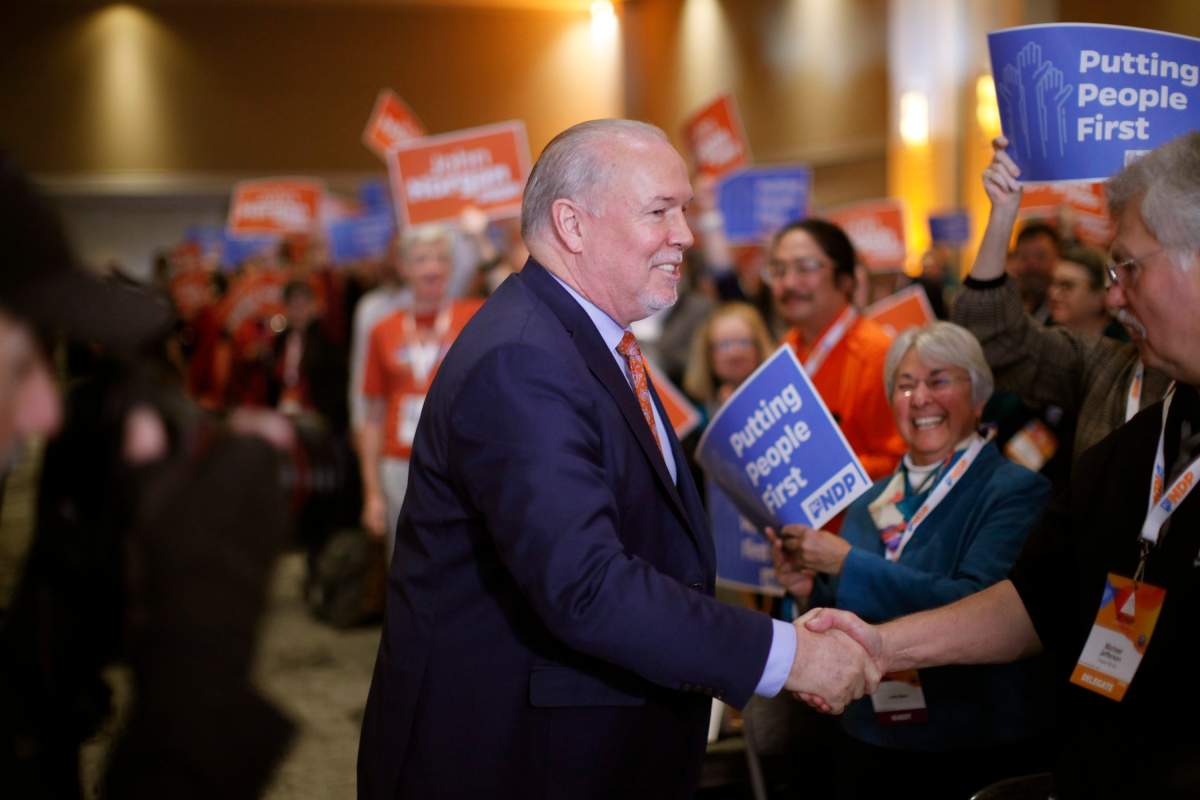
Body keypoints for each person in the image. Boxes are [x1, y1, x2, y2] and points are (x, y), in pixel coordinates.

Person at [356, 119, 878, 800]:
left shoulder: (579, 341)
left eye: (684, 210)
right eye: (660, 210)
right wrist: (786, 656)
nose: (685, 234)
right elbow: (587, 585)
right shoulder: (525, 360)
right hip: (514, 758)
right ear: (572, 224)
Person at [804, 131, 1200, 800]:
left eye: (1127, 268)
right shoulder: (1129, 451)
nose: (1113, 299)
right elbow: (1031, 601)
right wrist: (879, 649)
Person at [768, 322, 1053, 799]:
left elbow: (979, 606)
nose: (919, 397)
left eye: (939, 380)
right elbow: (849, 614)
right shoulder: (869, 498)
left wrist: (847, 564)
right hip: (869, 738)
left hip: (971, 744)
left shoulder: (1015, 492)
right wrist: (806, 592)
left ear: (979, 396)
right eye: (904, 384)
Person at [953, 136, 1172, 463]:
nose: (1115, 297)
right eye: (1113, 275)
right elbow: (993, 337)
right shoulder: (1108, 369)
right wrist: (1002, 214)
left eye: (1132, 270)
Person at [358, 225, 482, 559]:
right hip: (399, 465)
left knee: (462, 564)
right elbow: (373, 417)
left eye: (442, 258)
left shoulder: (475, 319)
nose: (433, 267)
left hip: (460, 463)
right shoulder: (382, 330)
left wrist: (482, 239)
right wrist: (371, 493)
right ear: (404, 268)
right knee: (403, 564)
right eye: (422, 259)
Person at [768, 218, 906, 480]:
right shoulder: (785, 350)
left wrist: (823, 474)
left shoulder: (878, 354)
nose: (788, 283)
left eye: (805, 268)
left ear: (845, 279)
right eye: (778, 270)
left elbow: (901, 462)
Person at [1048, 245, 1125, 341]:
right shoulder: (1043, 340)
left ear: (1099, 296)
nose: (1053, 294)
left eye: (1067, 286)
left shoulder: (1125, 349)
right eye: (1052, 283)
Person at [1011, 221, 1061, 322]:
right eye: (1024, 257)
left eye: (1040, 256)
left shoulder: (1067, 316)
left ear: (1059, 257)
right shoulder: (1007, 309)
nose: (1032, 265)